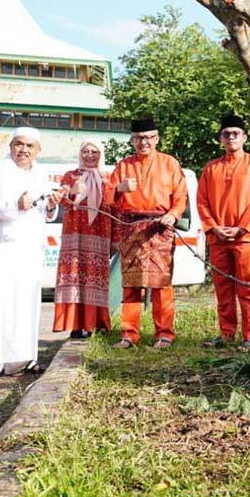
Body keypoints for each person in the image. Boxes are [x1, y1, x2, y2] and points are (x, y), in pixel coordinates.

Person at [0, 127, 62, 382]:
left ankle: (20, 358)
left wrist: (52, 205)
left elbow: (43, 210)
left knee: (25, 302)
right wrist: (13, 205)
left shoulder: (40, 174)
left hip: (29, 249)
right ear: (11, 146)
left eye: (29, 146)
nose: (24, 149)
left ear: (38, 151)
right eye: (19, 144)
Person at [104, 117, 187, 349]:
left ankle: (164, 334)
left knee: (161, 283)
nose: (144, 142)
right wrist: (119, 189)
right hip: (131, 227)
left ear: (157, 138)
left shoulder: (170, 163)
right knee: (130, 284)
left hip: (160, 227)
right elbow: (108, 196)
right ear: (132, 140)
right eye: (139, 138)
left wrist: (173, 214)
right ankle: (129, 335)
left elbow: (181, 196)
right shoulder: (123, 165)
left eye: (149, 137)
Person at [196, 114, 250, 350]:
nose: (231, 137)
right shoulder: (211, 168)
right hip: (218, 237)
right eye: (226, 134)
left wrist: (241, 227)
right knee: (223, 288)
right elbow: (202, 202)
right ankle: (226, 334)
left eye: (235, 133)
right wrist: (214, 227)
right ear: (220, 139)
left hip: (246, 237)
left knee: (247, 286)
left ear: (244, 137)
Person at [52, 138, 113, 339]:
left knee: (94, 278)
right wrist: (71, 191)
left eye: (94, 152)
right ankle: (75, 325)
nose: (89, 155)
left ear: (101, 154)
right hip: (75, 236)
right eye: (85, 151)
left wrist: (116, 237)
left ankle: (94, 324)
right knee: (74, 277)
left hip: (98, 234)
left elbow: (115, 205)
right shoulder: (71, 175)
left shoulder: (108, 178)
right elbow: (60, 198)